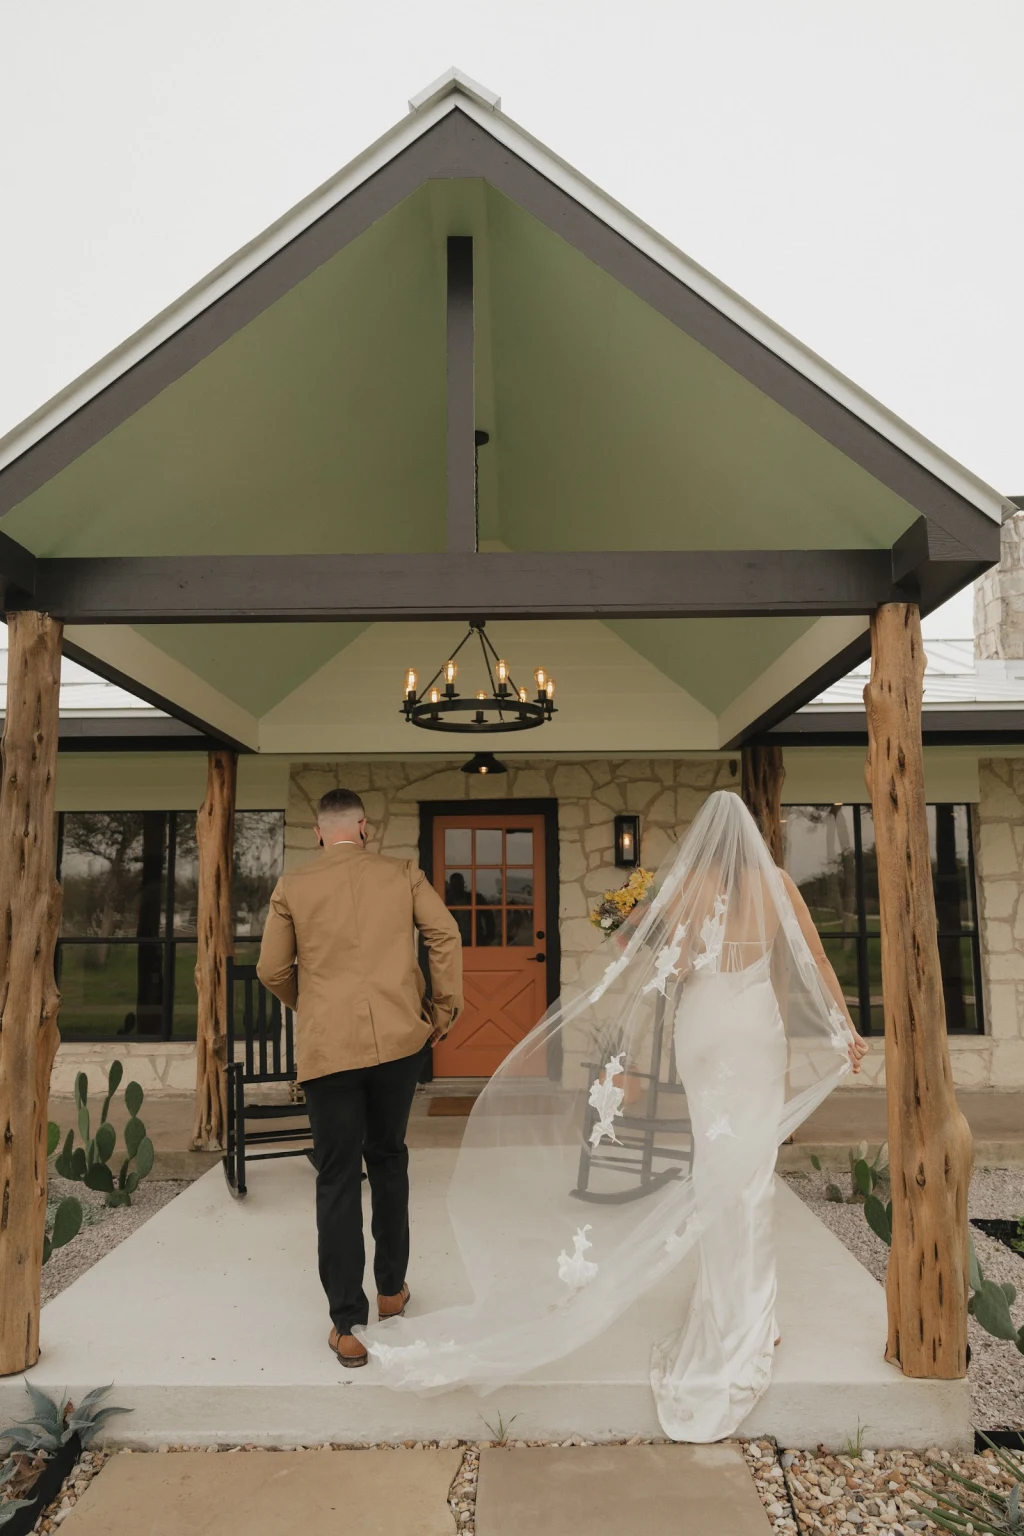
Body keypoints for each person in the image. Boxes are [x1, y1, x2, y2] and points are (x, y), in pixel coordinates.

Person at [359, 790, 866, 1441]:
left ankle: (730, 1305)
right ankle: (753, 1320)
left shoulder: (691, 886)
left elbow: (674, 967)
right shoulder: (780, 885)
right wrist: (845, 1028)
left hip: (705, 1029)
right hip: (753, 1030)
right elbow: (813, 961)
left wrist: (638, 932)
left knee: (718, 1168)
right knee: (751, 1176)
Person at [257, 787, 463, 1369]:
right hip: (400, 1042)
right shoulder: (403, 874)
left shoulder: (293, 886)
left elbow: (271, 968)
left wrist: (312, 1005)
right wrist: (443, 1009)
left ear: (319, 832)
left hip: (329, 1048)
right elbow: (445, 935)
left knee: (338, 1176)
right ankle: (392, 1290)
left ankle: (348, 1325)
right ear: (364, 828)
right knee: (389, 1157)